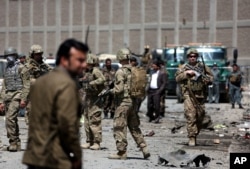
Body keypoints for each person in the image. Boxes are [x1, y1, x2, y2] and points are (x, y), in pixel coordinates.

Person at [22, 39, 89, 169]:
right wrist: (77, 155)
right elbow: (68, 126)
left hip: (35, 156)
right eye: (80, 60)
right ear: (64, 60)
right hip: (55, 158)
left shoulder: (40, 82)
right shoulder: (66, 85)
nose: (84, 65)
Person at [108, 48, 150, 160]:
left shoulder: (120, 71)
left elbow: (119, 89)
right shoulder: (134, 70)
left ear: (120, 57)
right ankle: (144, 147)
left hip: (123, 103)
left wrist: (110, 91)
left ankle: (121, 152)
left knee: (119, 127)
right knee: (134, 127)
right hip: (133, 103)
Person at [175, 48, 213, 146]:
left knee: (200, 117)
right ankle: (191, 137)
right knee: (191, 116)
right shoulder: (184, 67)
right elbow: (177, 78)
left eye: (194, 56)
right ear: (188, 57)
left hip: (200, 95)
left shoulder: (203, 67)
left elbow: (211, 77)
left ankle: (195, 133)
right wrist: (186, 74)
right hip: (188, 94)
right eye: (190, 56)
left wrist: (208, 80)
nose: (192, 58)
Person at [20, 44, 52, 125]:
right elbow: (26, 83)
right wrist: (23, 99)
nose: (39, 56)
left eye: (40, 54)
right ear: (32, 54)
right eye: (37, 54)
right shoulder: (27, 67)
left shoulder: (44, 66)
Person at [0, 47, 24, 152]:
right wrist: (1, 101)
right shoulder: (7, 68)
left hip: (18, 94)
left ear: (15, 56)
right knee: (12, 119)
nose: (8, 58)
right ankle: (16, 143)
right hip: (8, 96)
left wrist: (24, 98)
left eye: (10, 56)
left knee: (9, 118)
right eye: (7, 57)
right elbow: (4, 86)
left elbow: (27, 84)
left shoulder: (21, 68)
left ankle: (13, 141)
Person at [81, 53, 105, 150]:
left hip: (95, 99)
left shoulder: (96, 71)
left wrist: (92, 83)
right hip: (88, 99)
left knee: (94, 121)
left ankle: (97, 142)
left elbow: (102, 79)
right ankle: (89, 141)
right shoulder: (87, 71)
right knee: (87, 121)